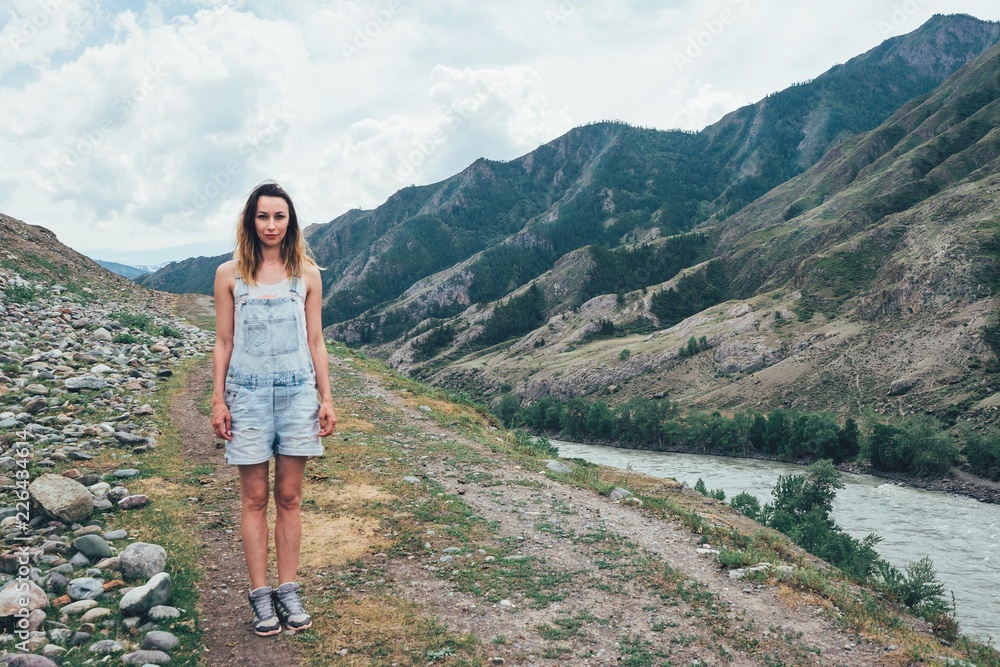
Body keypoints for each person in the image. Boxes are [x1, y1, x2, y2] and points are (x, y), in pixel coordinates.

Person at [211, 181, 337, 636]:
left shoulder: (308, 274)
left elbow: (316, 341)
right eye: (262, 216)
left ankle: (289, 589)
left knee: (289, 496)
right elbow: (223, 341)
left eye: (278, 216)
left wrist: (326, 397)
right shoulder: (229, 274)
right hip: (246, 396)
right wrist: (218, 398)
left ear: (290, 221)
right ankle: (260, 597)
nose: (270, 225)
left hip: (298, 394)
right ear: (251, 221)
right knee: (254, 497)